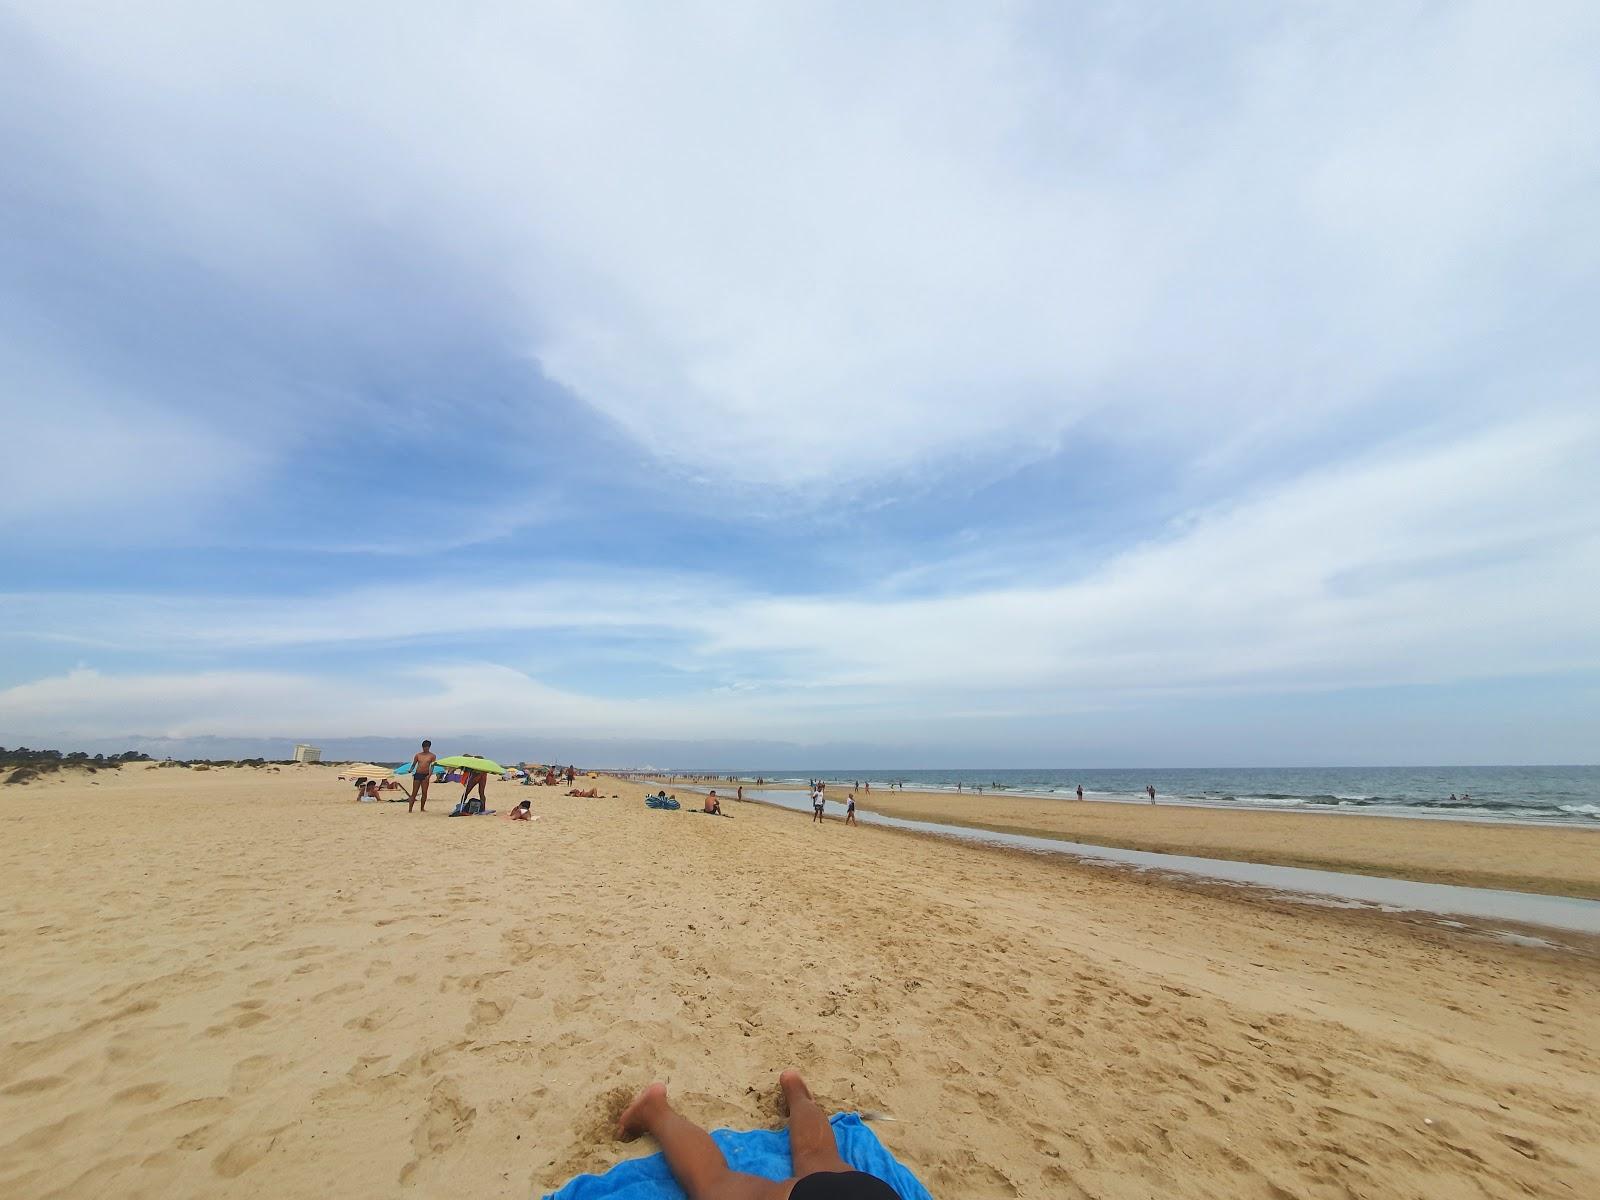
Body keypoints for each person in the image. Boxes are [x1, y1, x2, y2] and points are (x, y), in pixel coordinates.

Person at [617, 1070, 899, 1200]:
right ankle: (654, 1110)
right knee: (714, 1184)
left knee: (819, 1157)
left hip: (870, 1193)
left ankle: (796, 1091)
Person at [408, 740, 437, 813]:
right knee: (414, 792)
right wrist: (411, 770)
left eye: (426, 747)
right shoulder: (418, 755)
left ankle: (422, 808)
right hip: (418, 774)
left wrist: (429, 776)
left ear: (429, 747)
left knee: (424, 792)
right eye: (424, 747)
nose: (425, 749)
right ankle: (410, 809)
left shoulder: (432, 756)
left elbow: (432, 767)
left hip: (426, 775)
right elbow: (414, 764)